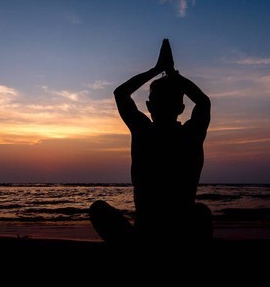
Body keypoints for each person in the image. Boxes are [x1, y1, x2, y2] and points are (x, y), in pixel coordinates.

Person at [90, 39, 212, 246]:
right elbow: (203, 102)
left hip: (145, 238)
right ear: (181, 108)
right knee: (201, 211)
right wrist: (171, 73)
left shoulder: (143, 131)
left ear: (148, 106)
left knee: (98, 209)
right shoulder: (190, 134)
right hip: (172, 236)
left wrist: (158, 69)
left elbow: (121, 93)